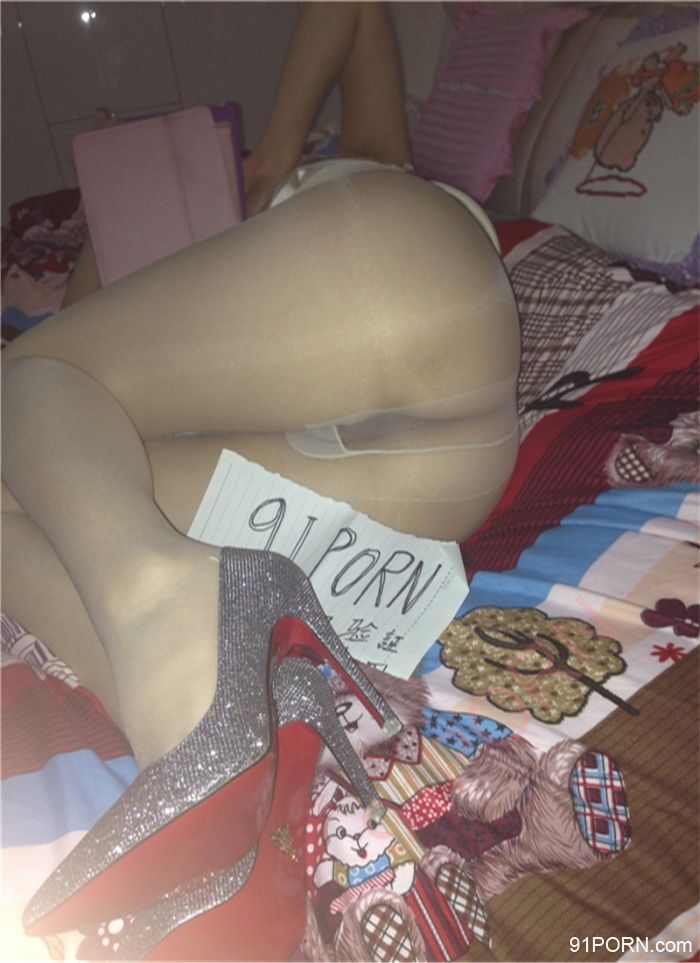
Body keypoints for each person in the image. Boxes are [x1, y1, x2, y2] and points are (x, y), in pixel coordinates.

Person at [2, 2, 520, 768]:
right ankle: (190, 720)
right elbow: (62, 402)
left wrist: (274, 154)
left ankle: (155, 602)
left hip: (406, 292)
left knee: (18, 389)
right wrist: (117, 211)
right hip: (434, 487)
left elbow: (353, 6)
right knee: (27, 488)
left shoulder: (368, 158)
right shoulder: (196, 298)